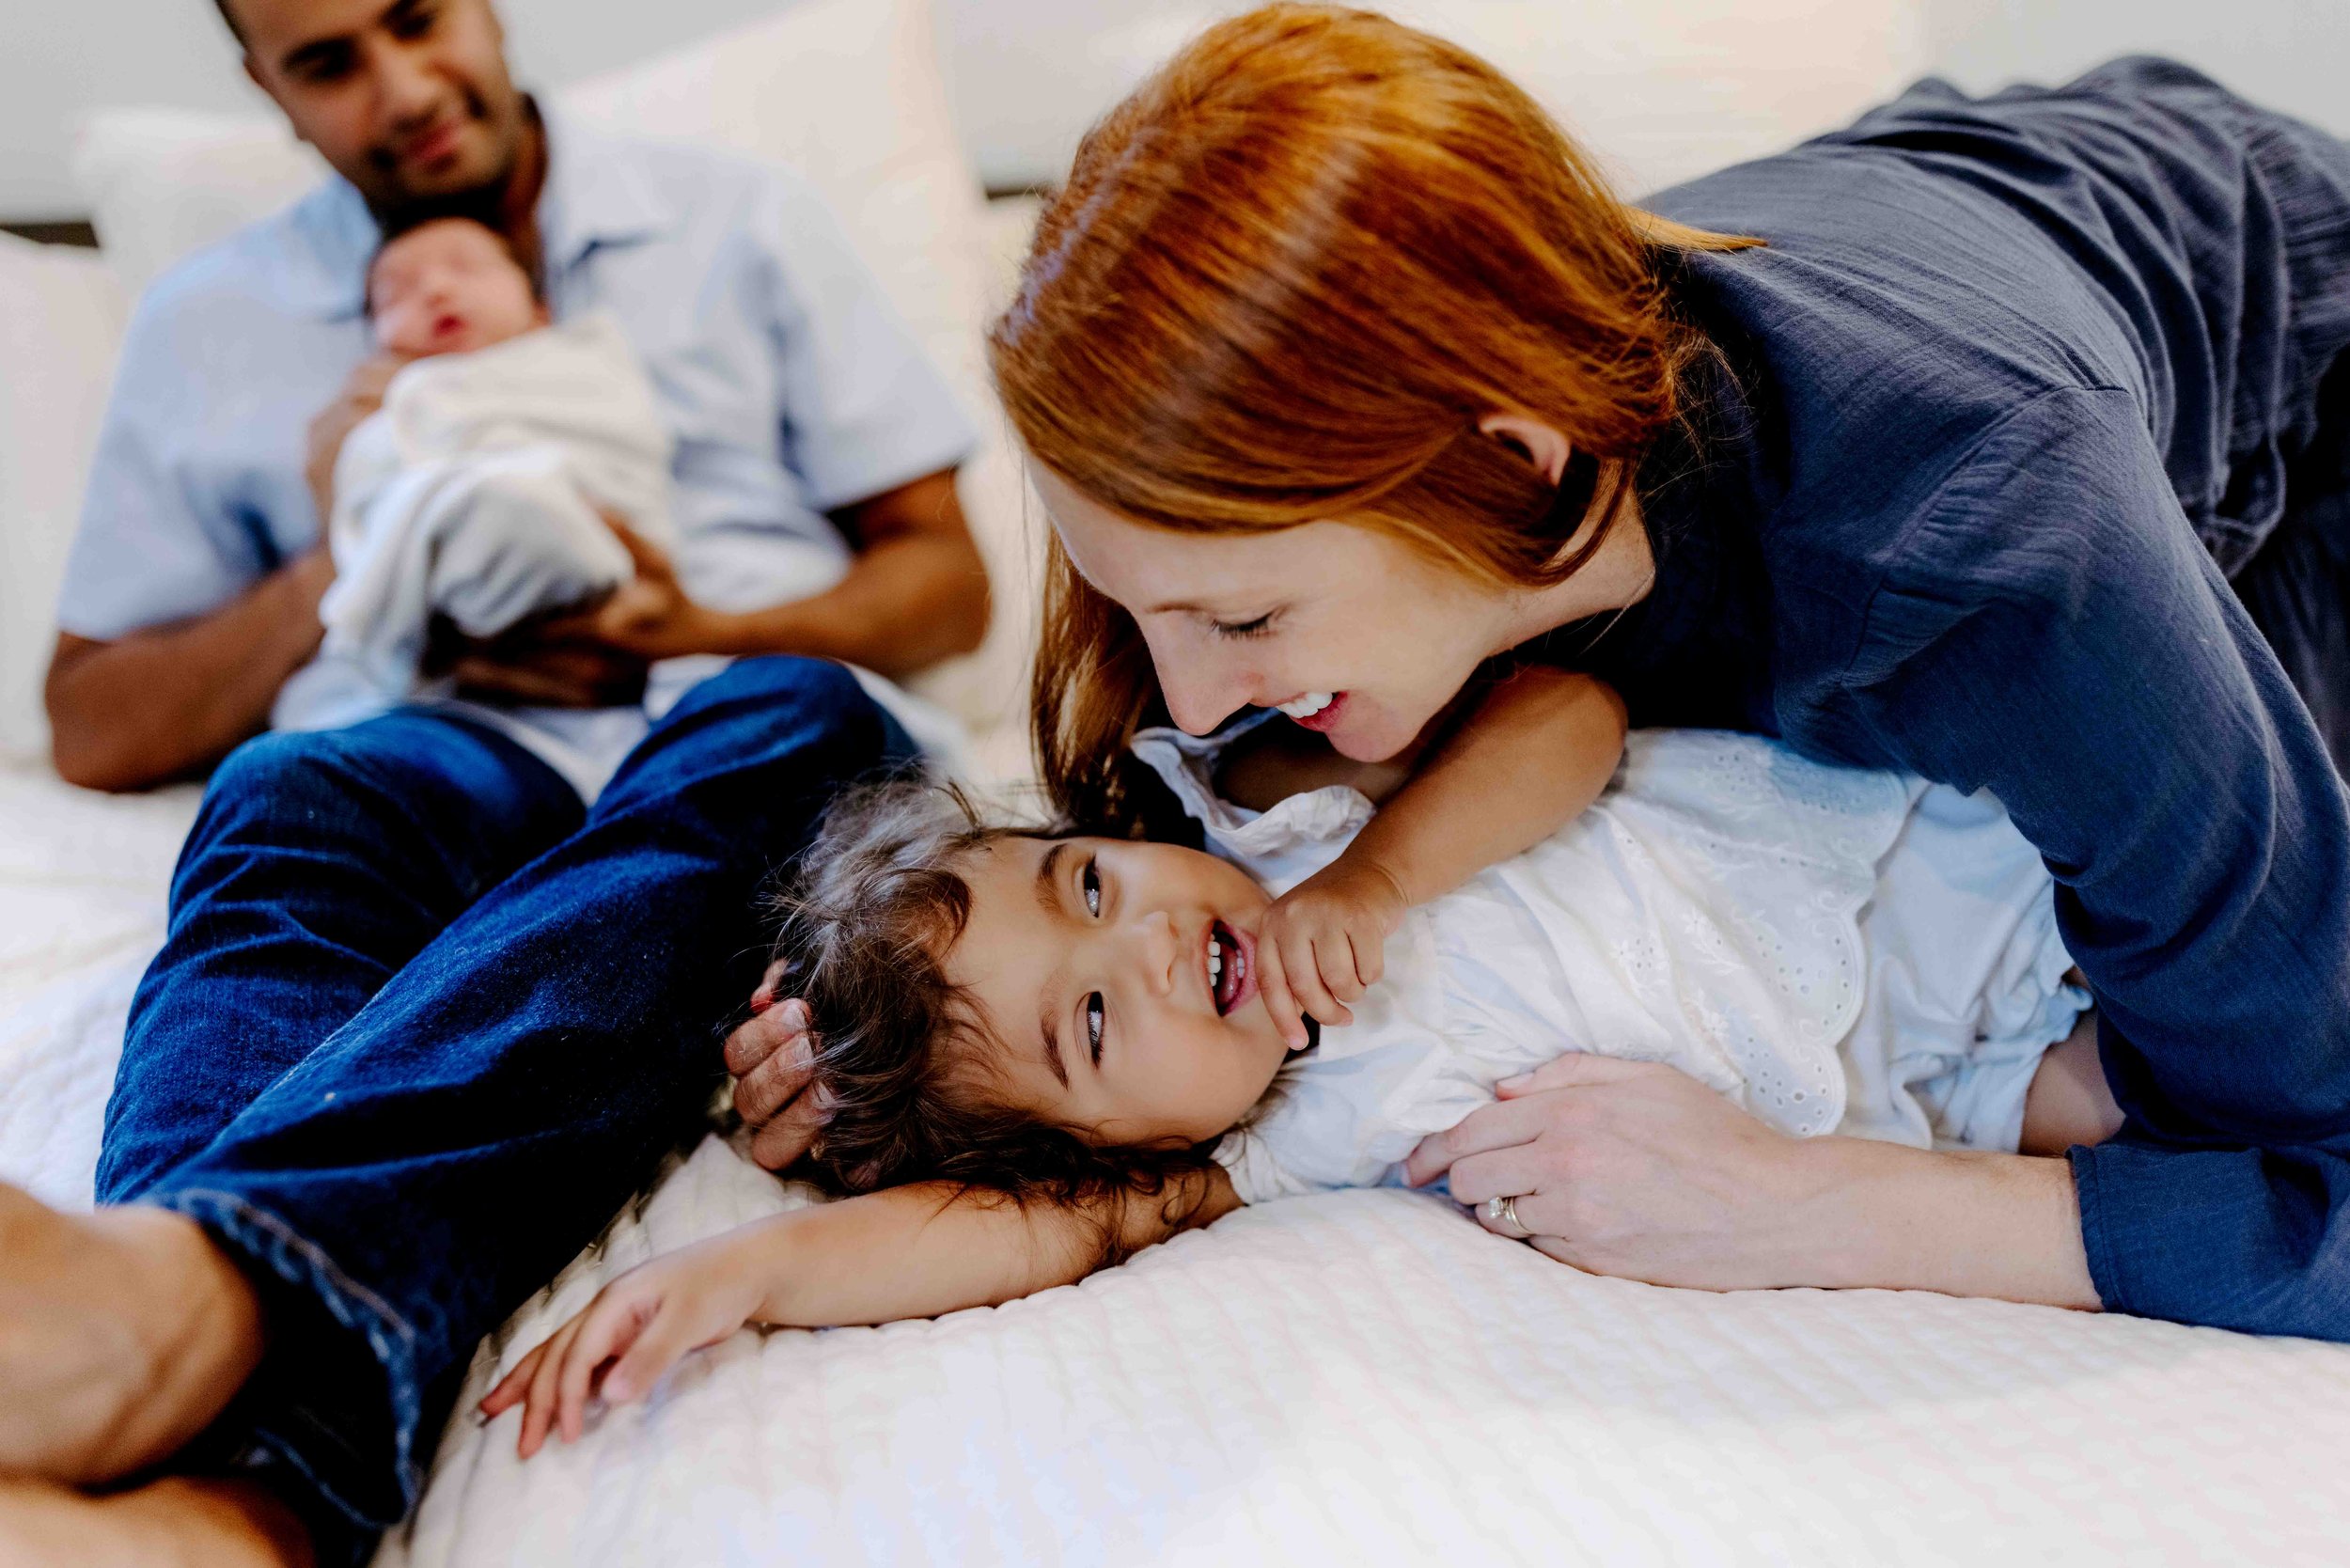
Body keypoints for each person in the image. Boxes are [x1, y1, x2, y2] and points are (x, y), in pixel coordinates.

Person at [718, 6, 2350, 1341]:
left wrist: (1809, 1205)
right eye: (1147, 610)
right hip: (1991, 204)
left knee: (2213, 1074)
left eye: (1247, 620)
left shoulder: (1992, 550)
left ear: (1508, 462)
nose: (1197, 711)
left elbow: (2319, 1178)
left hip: (2291, 343)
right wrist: (895, 1068)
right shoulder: (1472, 491)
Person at [1, 0, 985, 1560]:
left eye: (417, 18)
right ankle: (215, 1455)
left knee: (790, 711)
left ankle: (186, 1370)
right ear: (265, 86)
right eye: (329, 63)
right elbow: (94, 726)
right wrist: (349, 545)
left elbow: (949, 585)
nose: (404, 89)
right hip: (436, 746)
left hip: (722, 718)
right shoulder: (212, 323)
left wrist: (694, 622)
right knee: (284, 791)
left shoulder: (738, 220)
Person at [478, 721, 2125, 1453]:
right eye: (1097, 1033)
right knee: (2160, 1113)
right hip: (1932, 1085)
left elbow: (1571, 715)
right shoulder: (1265, 1155)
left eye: (1090, 892)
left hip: (1900, 861)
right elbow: (1007, 1239)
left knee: (2213, 913)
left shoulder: (1274, 805)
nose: (1146, 949)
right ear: (1109, 1147)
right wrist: (746, 1270)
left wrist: (1382, 880)